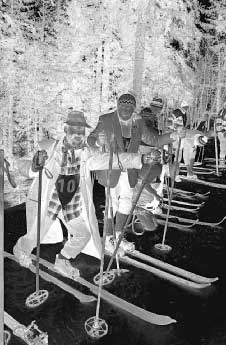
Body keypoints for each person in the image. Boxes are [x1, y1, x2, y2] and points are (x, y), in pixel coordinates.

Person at [13, 110, 158, 276]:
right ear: (65, 130)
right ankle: (20, 250)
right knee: (35, 235)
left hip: (70, 205)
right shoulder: (49, 149)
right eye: (74, 130)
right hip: (50, 202)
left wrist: (141, 159)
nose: (77, 135)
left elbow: (113, 159)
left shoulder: (86, 154)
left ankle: (62, 260)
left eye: (81, 131)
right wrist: (34, 165)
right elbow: (22, 166)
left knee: (83, 234)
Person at [87, 93, 185, 253]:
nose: (126, 109)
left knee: (126, 202)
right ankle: (108, 238)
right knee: (112, 203)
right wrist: (98, 141)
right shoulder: (105, 119)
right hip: (111, 167)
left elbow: (154, 140)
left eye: (130, 106)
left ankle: (118, 236)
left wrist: (173, 136)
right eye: (123, 105)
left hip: (130, 167)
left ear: (134, 108)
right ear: (118, 105)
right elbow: (90, 139)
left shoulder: (138, 121)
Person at [167, 109, 209, 180]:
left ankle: (188, 172)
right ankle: (174, 174)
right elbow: (186, 157)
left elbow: (198, 130)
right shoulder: (190, 141)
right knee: (178, 157)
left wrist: (203, 120)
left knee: (189, 154)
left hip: (182, 136)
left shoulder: (197, 134)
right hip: (176, 139)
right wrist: (176, 128)